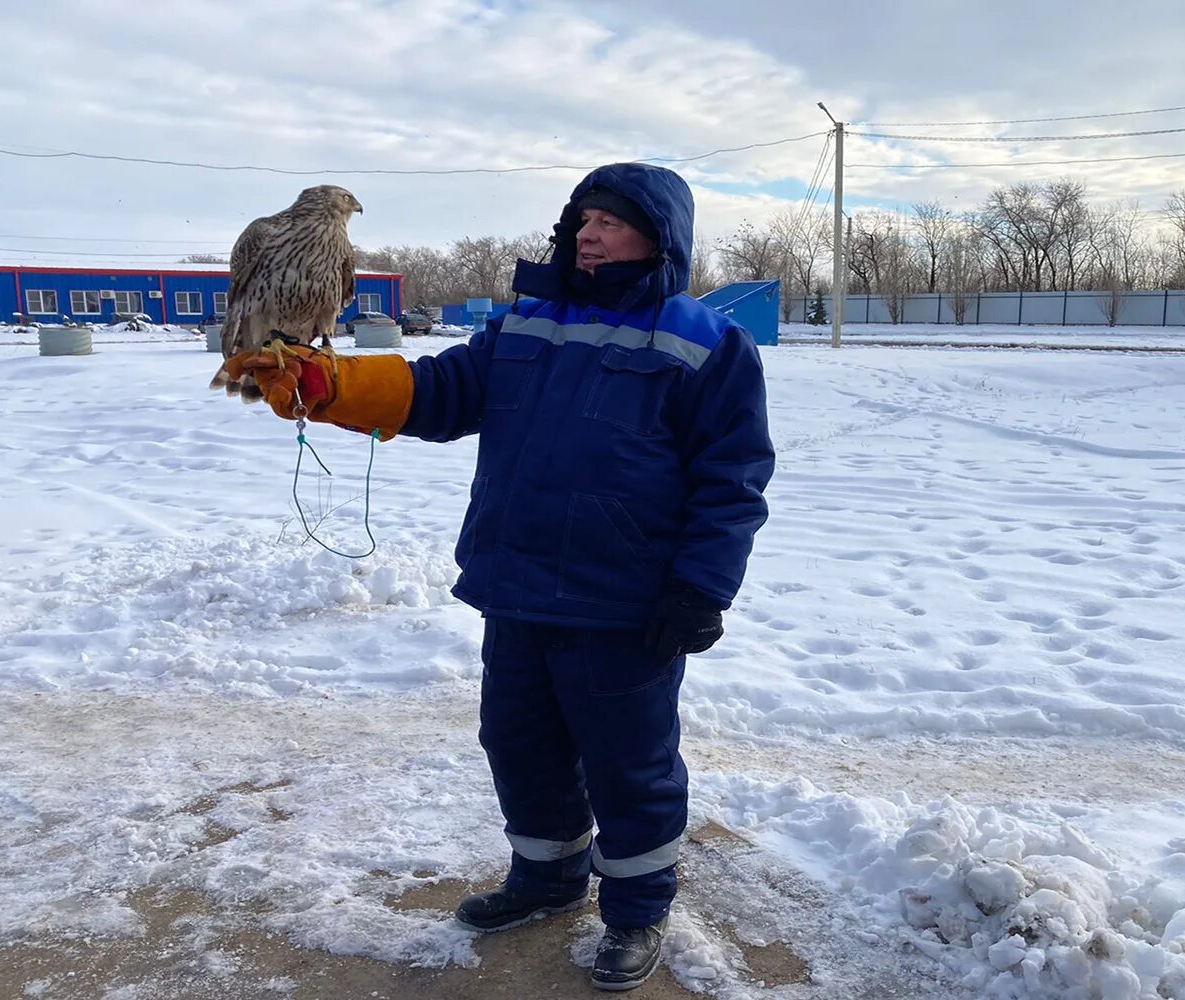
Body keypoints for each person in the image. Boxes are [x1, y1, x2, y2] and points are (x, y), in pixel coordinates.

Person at [224, 162, 774, 991]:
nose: (587, 233)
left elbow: (732, 479)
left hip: (624, 604)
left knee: (631, 764)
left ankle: (635, 911)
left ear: (658, 239)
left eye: (610, 222)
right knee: (521, 746)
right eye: (581, 219)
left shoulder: (705, 342)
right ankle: (547, 878)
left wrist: (702, 588)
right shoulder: (529, 322)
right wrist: (330, 383)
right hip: (515, 584)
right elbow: (441, 390)